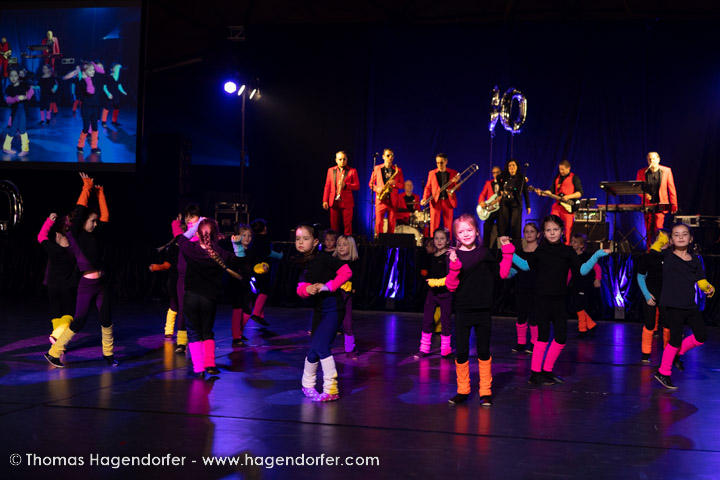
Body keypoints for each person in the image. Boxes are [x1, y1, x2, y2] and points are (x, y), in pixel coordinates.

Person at [512, 215, 609, 385]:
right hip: (541, 299)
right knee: (542, 338)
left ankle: (547, 370)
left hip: (559, 300)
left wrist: (596, 255)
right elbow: (526, 265)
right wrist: (509, 252)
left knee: (561, 338)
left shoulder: (568, 251)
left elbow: (582, 270)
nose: (552, 233)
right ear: (543, 233)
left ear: (562, 231)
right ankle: (535, 373)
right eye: (548, 230)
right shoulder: (541, 250)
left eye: (555, 229)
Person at [44, 173, 116, 368]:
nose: (95, 224)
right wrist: (86, 189)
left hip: (101, 284)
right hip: (87, 285)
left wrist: (100, 195)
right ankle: (54, 353)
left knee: (106, 319)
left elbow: (105, 218)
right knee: (79, 320)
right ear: (82, 221)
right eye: (92, 221)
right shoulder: (75, 234)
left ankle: (109, 354)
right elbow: (80, 209)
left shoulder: (94, 235)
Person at [444, 215, 514, 406]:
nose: (466, 234)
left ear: (476, 231)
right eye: (461, 231)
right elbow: (451, 286)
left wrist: (507, 251)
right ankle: (462, 390)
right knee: (461, 352)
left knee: (483, 351)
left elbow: (503, 273)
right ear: (456, 236)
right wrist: (454, 266)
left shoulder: (484, 254)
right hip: (463, 310)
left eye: (469, 230)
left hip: (483, 311)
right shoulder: (454, 255)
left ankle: (485, 391)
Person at [174, 217, 241, 377]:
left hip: (191, 298)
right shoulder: (220, 254)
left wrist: (195, 226)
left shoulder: (190, 249)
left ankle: (199, 368)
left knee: (194, 333)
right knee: (207, 332)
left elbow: (180, 238)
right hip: (209, 300)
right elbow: (238, 261)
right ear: (216, 235)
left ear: (198, 233)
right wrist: (237, 245)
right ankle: (210, 364)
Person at [651, 223, 714, 389]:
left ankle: (677, 354)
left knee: (701, 336)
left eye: (684, 234)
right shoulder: (667, 256)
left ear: (691, 239)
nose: (680, 237)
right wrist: (661, 240)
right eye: (676, 234)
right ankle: (663, 372)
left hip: (689, 305)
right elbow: (653, 251)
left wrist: (708, 288)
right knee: (675, 339)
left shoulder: (695, 260)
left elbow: (701, 280)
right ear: (671, 240)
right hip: (672, 305)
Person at [295, 224, 352, 402]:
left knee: (321, 347)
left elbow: (346, 272)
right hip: (319, 310)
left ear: (315, 241)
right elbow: (300, 287)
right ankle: (307, 385)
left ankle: (331, 389)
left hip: (333, 308)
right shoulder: (301, 262)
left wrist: (328, 286)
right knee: (313, 349)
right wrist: (306, 289)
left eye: (305, 238)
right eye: (298, 239)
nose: (301, 242)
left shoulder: (323, 258)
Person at [38, 212, 79, 344]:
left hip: (52, 287)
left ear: (57, 234)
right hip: (67, 288)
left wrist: (49, 221)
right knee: (68, 314)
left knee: (56, 313)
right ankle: (57, 336)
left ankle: (58, 343)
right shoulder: (74, 250)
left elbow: (41, 236)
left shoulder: (52, 248)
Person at [415, 228, 453, 359]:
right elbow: (426, 273)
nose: (439, 241)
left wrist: (438, 282)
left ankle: (446, 349)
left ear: (447, 240)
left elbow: (452, 276)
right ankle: (424, 348)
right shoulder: (431, 257)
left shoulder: (449, 257)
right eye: (436, 238)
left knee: (445, 321)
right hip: (432, 293)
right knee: (427, 320)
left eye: (442, 238)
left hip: (446, 293)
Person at [636, 229, 669, 363]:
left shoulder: (671, 258)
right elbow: (640, 277)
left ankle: (668, 353)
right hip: (650, 293)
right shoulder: (648, 258)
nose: (663, 242)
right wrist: (646, 295)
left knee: (668, 324)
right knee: (649, 324)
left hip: (666, 295)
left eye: (665, 240)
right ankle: (645, 353)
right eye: (660, 239)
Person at [636, 152, 678, 246]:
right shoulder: (642, 172)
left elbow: (671, 188)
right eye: (650, 159)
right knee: (648, 230)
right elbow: (638, 189)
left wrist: (674, 205)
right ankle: (649, 250)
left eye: (654, 159)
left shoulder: (666, 171)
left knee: (658, 228)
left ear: (658, 160)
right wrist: (645, 195)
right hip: (647, 205)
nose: (652, 161)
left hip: (661, 205)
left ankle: (659, 249)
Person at [511, 222, 540, 353]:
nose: (528, 234)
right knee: (521, 315)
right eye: (526, 231)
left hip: (537, 289)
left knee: (534, 317)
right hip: (522, 288)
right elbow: (514, 270)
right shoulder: (520, 253)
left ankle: (534, 343)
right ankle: (521, 343)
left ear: (538, 234)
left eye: (532, 231)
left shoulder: (540, 252)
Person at [538, 160, 582, 244]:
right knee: (552, 224)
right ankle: (552, 245)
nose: (561, 171)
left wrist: (568, 197)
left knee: (567, 230)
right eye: (560, 169)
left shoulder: (574, 178)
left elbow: (579, 193)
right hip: (557, 206)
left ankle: (566, 247)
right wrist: (543, 193)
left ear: (568, 168)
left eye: (563, 169)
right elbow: (551, 191)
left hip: (568, 208)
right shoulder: (557, 178)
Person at [67, 62, 105, 154]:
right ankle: (80, 145)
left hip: (95, 108)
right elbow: (91, 91)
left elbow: (102, 72)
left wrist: (92, 63)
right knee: (86, 127)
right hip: (86, 109)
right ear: (84, 72)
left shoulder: (95, 78)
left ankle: (94, 146)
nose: (93, 71)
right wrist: (87, 79)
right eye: (90, 70)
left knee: (95, 128)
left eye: (93, 70)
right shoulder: (82, 82)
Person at [569, 234, 602, 338]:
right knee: (577, 306)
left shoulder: (586, 257)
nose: (572, 243)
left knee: (579, 307)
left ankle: (583, 329)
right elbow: (570, 272)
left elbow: (597, 268)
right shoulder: (572, 257)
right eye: (572, 241)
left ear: (581, 245)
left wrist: (597, 279)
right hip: (576, 284)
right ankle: (590, 325)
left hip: (585, 285)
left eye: (575, 242)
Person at [334, 235, 360, 358]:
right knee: (330, 322)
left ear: (351, 247)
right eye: (339, 245)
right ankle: (322, 347)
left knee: (348, 323)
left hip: (346, 296)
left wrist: (353, 287)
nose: (341, 247)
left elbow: (357, 278)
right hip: (334, 295)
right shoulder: (333, 261)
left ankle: (349, 349)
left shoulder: (354, 263)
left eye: (344, 245)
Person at [322, 151, 360, 235]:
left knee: (347, 225)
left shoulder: (352, 171)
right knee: (333, 226)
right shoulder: (331, 170)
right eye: (340, 159)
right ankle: (333, 242)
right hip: (334, 201)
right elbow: (327, 186)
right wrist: (325, 200)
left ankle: (347, 242)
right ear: (336, 160)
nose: (342, 161)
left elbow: (357, 186)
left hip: (346, 202)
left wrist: (346, 185)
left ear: (347, 159)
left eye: (344, 159)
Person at [422, 153, 459, 235]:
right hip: (436, 202)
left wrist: (457, 182)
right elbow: (428, 187)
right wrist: (425, 198)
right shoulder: (432, 173)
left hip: (448, 201)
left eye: (441, 163)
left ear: (446, 162)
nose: (439, 165)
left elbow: (458, 188)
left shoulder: (453, 173)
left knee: (448, 227)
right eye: (437, 163)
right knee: (434, 226)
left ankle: (448, 242)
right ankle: (433, 242)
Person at [369, 149, 404, 236]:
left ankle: (390, 242)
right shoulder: (377, 168)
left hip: (392, 201)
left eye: (392, 156)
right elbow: (371, 184)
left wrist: (395, 183)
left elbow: (402, 185)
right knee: (378, 224)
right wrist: (377, 189)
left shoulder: (398, 170)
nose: (390, 157)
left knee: (391, 225)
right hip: (381, 200)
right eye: (388, 155)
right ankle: (379, 241)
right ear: (383, 157)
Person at [497, 159, 530, 241]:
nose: (511, 167)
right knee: (505, 223)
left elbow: (525, 192)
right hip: (505, 202)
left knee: (514, 224)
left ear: (517, 167)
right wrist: (500, 189)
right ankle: (506, 244)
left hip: (516, 203)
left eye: (513, 165)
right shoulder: (505, 176)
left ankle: (516, 243)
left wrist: (528, 206)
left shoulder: (521, 177)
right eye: (509, 166)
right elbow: (498, 178)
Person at [3, 69, 34, 156]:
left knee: (22, 129)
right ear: (9, 77)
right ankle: (6, 147)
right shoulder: (9, 88)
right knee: (13, 129)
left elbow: (31, 91)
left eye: (15, 75)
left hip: (23, 109)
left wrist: (27, 97)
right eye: (11, 76)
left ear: (18, 76)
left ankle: (25, 149)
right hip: (15, 111)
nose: (13, 77)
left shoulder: (23, 85)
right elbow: (7, 100)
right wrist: (16, 98)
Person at [477, 166, 503, 248]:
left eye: (497, 172)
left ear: (501, 173)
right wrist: (481, 202)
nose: (495, 174)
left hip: (501, 209)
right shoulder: (488, 183)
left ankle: (500, 249)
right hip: (490, 209)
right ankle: (486, 248)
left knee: (501, 229)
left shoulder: (504, 183)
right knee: (487, 228)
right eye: (494, 173)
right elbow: (483, 194)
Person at [101, 63, 128, 127]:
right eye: (116, 67)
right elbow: (104, 87)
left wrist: (123, 91)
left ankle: (114, 121)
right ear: (112, 69)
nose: (118, 69)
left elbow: (119, 85)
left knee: (116, 107)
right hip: (109, 94)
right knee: (106, 107)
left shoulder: (119, 78)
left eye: (119, 68)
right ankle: (103, 121)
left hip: (116, 94)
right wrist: (108, 94)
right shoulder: (108, 77)